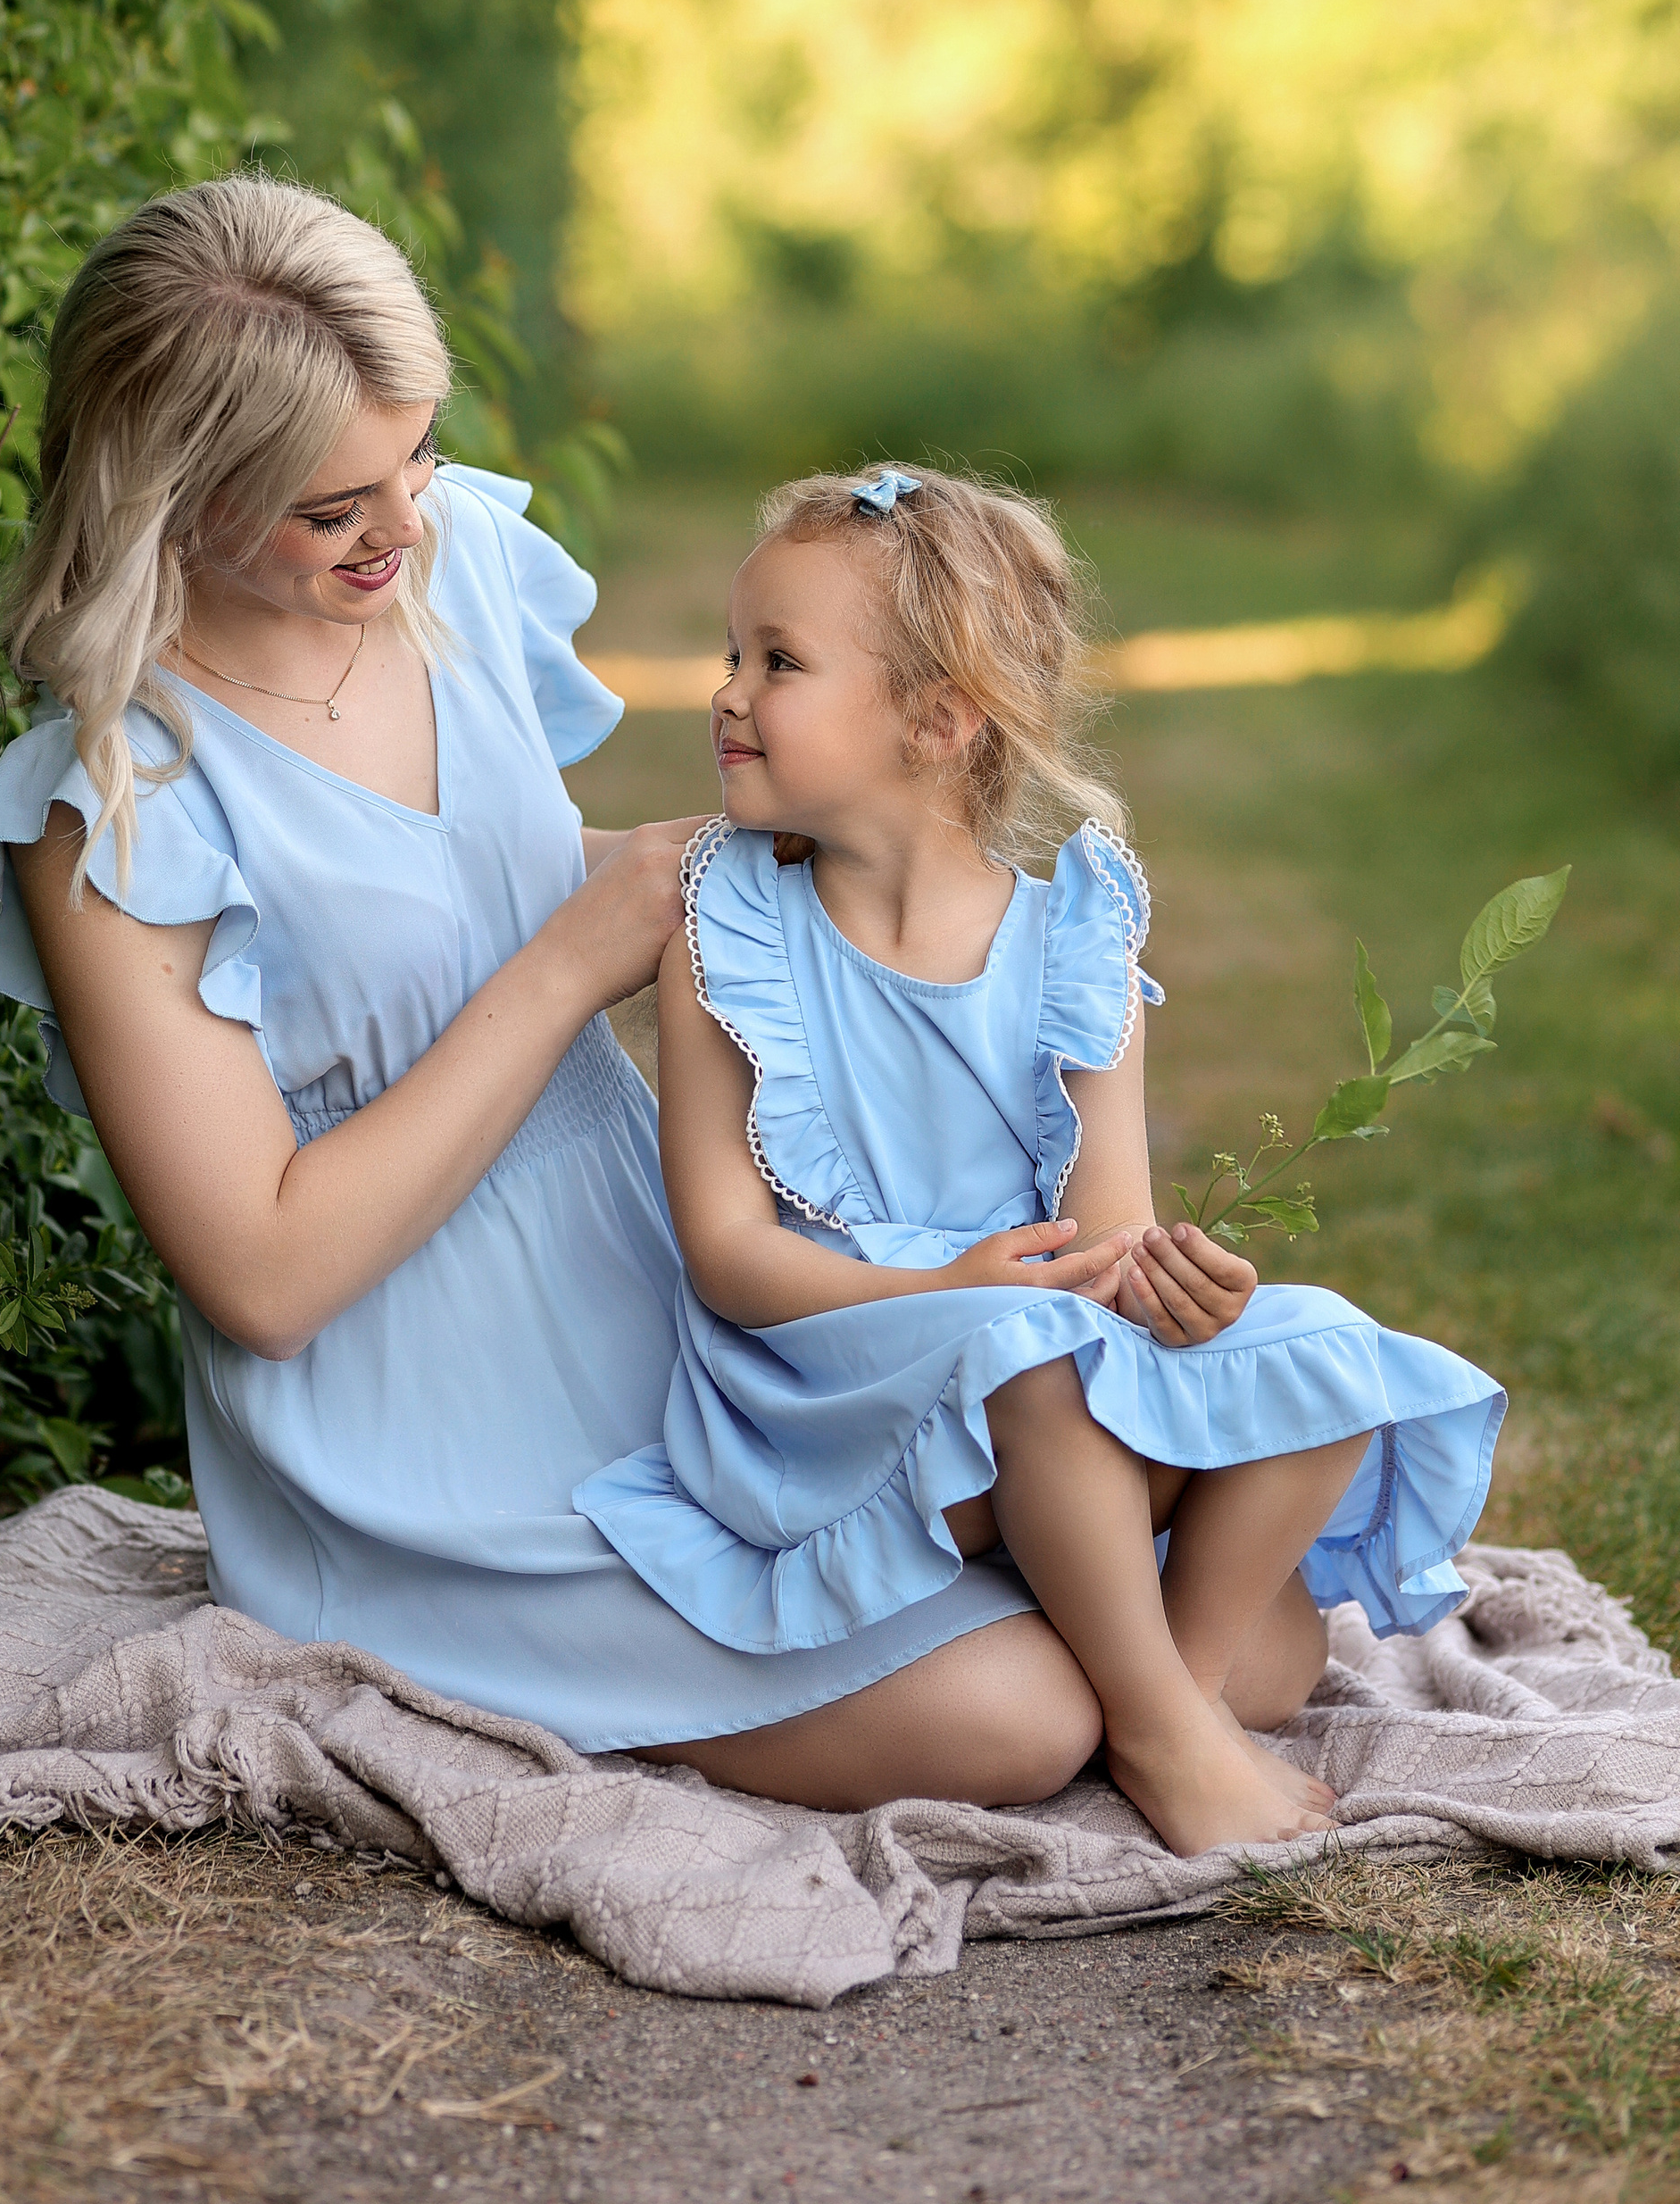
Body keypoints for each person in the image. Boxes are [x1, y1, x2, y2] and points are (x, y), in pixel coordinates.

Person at [0, 178, 1138, 1819]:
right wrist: (574, 952)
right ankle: (551, 1640)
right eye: (331, 504)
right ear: (175, 498)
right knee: (1022, 1714)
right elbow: (265, 1273)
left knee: (1094, 1454)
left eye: (412, 457)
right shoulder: (119, 817)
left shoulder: (457, 569)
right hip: (421, 1410)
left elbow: (463, 877)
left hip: (651, 1275)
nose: (399, 525)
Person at [571, 462, 1507, 1854]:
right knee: (1035, 1360)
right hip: (831, 1386)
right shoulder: (732, 933)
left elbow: (1101, 1242)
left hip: (1045, 1364)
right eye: (734, 652)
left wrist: (1177, 1295)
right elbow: (730, 1252)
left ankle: (1161, 1688)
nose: (724, 690)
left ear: (937, 720)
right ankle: (1161, 1723)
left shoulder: (1075, 943)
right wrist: (948, 1284)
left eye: (778, 661)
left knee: (1325, 1377)